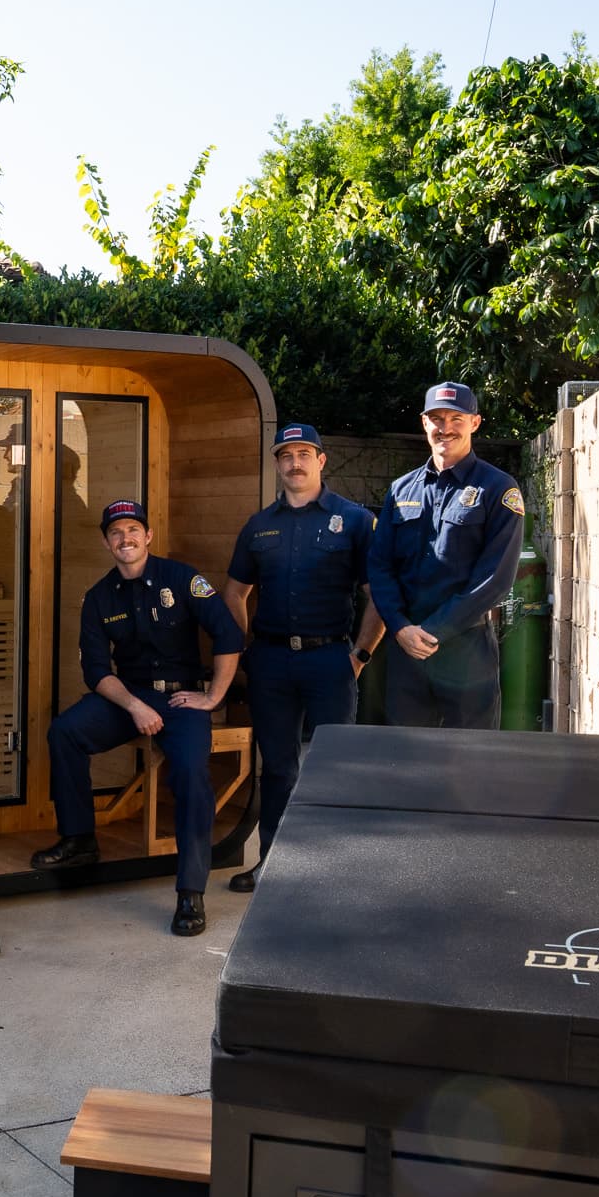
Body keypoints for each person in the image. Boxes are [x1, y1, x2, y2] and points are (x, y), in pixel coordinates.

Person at [33, 500, 244, 937]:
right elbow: (96, 672)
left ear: (147, 536)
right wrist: (133, 705)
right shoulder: (98, 597)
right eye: (116, 532)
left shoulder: (183, 579)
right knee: (65, 733)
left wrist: (213, 697)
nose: (125, 538)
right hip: (128, 698)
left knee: (189, 773)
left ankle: (190, 891)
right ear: (106, 541)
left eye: (133, 530)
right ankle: (79, 840)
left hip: (183, 699)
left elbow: (228, 635)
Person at [220, 424, 384, 893]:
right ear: (277, 464)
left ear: (321, 460)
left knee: (335, 767)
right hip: (271, 663)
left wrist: (360, 655)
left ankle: (336, 872)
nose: (295, 462)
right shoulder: (259, 525)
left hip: (331, 659)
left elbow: (380, 596)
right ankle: (271, 864)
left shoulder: (353, 521)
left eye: (304, 454)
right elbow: (234, 593)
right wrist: (248, 648)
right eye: (286, 455)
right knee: (277, 768)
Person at [366, 382, 525, 729]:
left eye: (457, 418)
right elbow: (380, 566)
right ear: (424, 423)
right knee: (406, 762)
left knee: (469, 766)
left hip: (466, 650)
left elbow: (495, 579)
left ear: (475, 423)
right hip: (406, 651)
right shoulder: (401, 490)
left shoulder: (498, 489)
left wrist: (434, 631)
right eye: (437, 418)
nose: (446, 427)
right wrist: (400, 627)